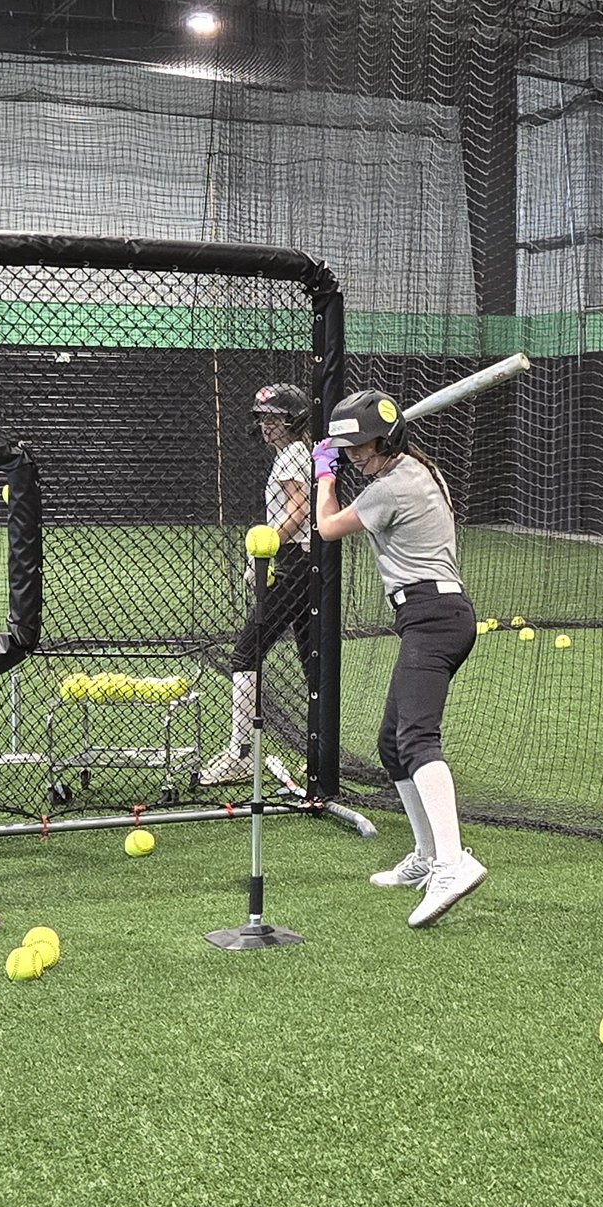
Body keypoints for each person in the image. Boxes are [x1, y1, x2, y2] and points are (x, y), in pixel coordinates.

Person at [312, 388, 485, 927]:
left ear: (388, 440)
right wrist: (340, 456)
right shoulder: (411, 471)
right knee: (392, 745)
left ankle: (453, 864)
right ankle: (429, 856)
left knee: (416, 739)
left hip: (435, 617)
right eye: (349, 449)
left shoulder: (395, 486)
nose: (355, 456)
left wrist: (324, 476)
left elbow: (326, 527)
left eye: (362, 447)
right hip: (429, 617)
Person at [198, 382, 315, 785]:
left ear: (293, 419)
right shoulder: (299, 454)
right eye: (263, 418)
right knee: (312, 660)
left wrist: (265, 550)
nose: (266, 425)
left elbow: (299, 510)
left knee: (245, 654)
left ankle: (240, 754)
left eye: (275, 418)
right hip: (303, 563)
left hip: (293, 563)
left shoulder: (291, 458)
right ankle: (319, 755)